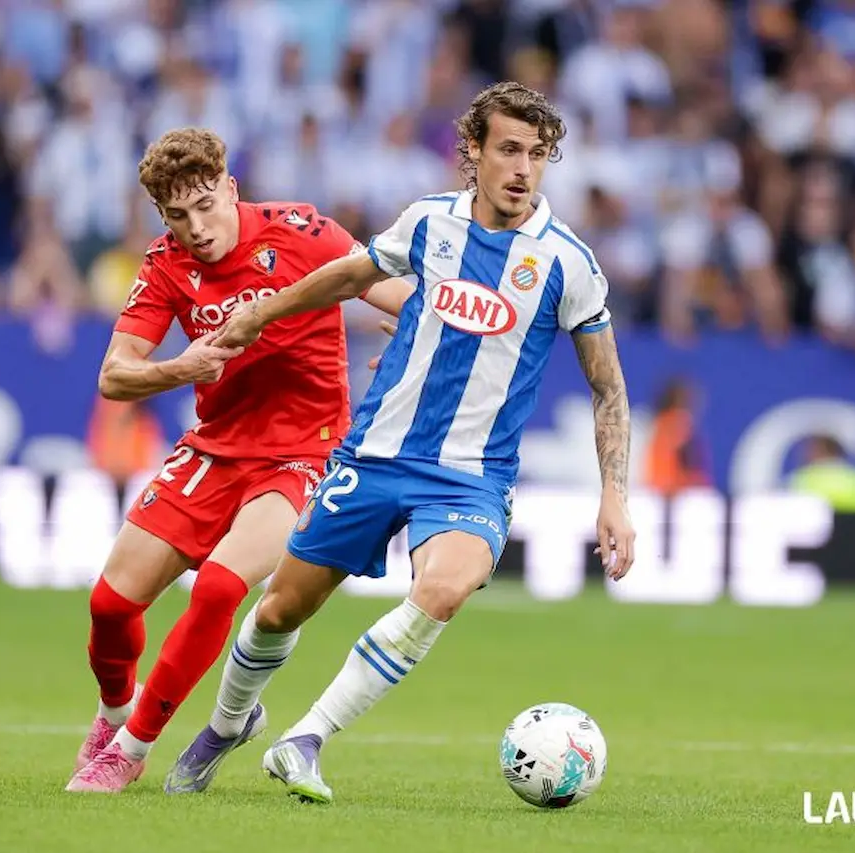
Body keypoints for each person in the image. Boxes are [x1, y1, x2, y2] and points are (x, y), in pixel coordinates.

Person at [169, 81, 636, 803]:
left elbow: (607, 386)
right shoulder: (429, 223)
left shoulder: (567, 262)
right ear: (473, 152)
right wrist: (261, 313)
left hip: (471, 477)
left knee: (443, 588)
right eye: (508, 150)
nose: (523, 169)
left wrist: (615, 495)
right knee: (279, 609)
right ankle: (227, 725)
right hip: (376, 455)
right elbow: (350, 275)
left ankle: (305, 739)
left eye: (537, 155)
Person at [65, 128, 411, 793]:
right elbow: (115, 376)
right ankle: (114, 712)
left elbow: (400, 295)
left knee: (222, 586)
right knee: (110, 604)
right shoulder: (166, 263)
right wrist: (183, 366)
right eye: (177, 216)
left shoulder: (303, 232)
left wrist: (412, 333)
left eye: (205, 206)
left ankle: (133, 748)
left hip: (302, 451)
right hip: (215, 446)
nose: (196, 228)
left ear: (230, 188)